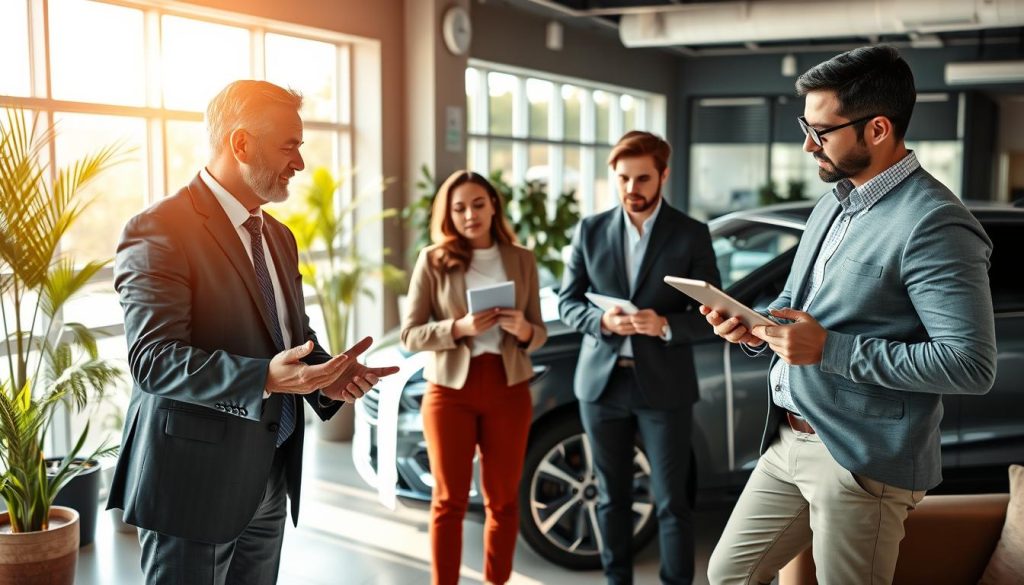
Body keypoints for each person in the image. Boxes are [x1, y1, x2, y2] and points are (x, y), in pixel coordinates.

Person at [704, 46, 997, 585]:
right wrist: (753, 326)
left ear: (879, 128)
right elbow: (796, 307)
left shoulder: (935, 224)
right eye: (806, 126)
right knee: (728, 576)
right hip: (788, 437)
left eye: (822, 131)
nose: (807, 144)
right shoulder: (833, 201)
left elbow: (969, 365)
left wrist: (830, 349)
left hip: (861, 459)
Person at [107, 80, 400, 585]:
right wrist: (265, 377)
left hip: (270, 472)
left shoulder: (279, 236)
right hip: (194, 484)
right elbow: (153, 359)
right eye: (290, 146)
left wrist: (325, 377)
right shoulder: (159, 228)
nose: (300, 163)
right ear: (240, 144)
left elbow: (290, 335)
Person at [558, 131, 721, 585]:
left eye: (643, 178)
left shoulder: (691, 234)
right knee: (609, 498)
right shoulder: (590, 230)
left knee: (671, 502)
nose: (633, 188)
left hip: (664, 386)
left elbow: (713, 313)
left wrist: (665, 325)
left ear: (663, 175)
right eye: (623, 178)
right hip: (601, 386)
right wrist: (602, 322)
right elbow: (568, 301)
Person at [401, 171, 547, 585]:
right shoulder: (433, 259)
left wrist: (522, 329)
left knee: (502, 501)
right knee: (448, 501)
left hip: (508, 387)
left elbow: (539, 333)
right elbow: (410, 334)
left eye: (478, 204)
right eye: (460, 207)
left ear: (493, 206)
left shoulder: (522, 259)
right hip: (450, 392)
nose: (470, 214)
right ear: (448, 213)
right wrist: (459, 328)